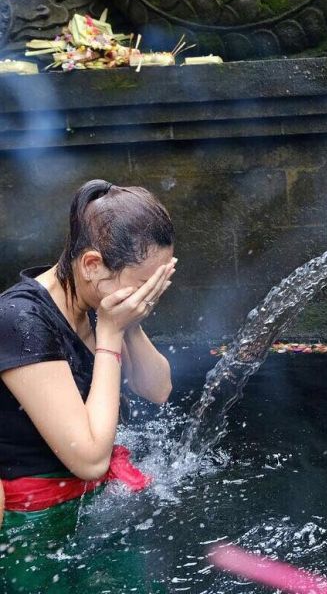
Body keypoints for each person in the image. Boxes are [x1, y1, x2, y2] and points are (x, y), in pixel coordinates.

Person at [0, 179, 176, 573]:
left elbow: (157, 390)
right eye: (141, 286)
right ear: (92, 265)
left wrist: (130, 324)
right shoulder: (19, 321)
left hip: (88, 508)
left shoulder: (95, 300)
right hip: (31, 528)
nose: (146, 296)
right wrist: (111, 334)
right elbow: (91, 459)